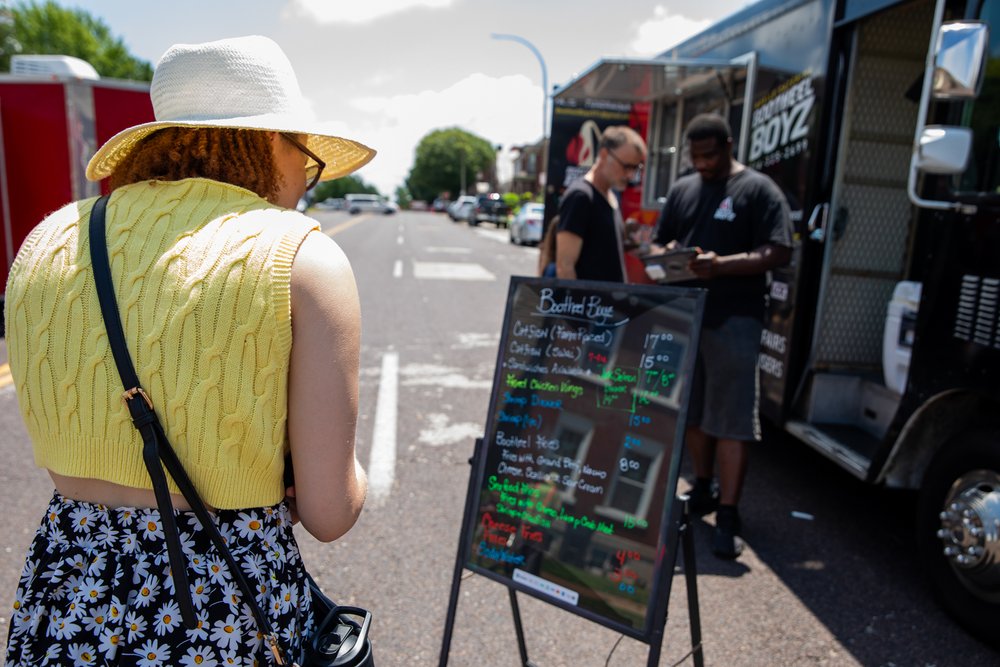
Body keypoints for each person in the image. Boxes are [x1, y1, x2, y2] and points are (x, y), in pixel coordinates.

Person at [3, 35, 373, 665]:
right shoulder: (303, 258)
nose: (304, 186)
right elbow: (329, 513)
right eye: (307, 163)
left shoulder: (47, 239)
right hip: (218, 606)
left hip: (67, 589)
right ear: (273, 142)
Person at [652, 112, 792, 559]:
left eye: (709, 156)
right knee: (692, 413)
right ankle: (704, 487)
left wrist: (722, 265)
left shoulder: (758, 189)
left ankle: (729, 514)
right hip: (687, 316)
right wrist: (666, 255)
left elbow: (779, 250)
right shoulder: (683, 188)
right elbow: (659, 241)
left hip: (735, 319)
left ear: (729, 146)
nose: (702, 164)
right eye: (695, 157)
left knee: (731, 419)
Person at [555, 126, 647, 282]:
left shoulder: (611, 196)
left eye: (636, 168)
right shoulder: (581, 196)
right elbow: (564, 267)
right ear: (604, 155)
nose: (630, 175)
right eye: (626, 166)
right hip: (590, 298)